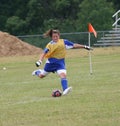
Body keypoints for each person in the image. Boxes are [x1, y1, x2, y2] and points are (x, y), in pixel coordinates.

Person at [32, 29, 92, 96]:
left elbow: (74, 45)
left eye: (56, 36)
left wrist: (84, 46)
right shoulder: (50, 45)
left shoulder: (64, 42)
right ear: (51, 37)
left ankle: (65, 90)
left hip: (60, 63)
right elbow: (44, 53)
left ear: (59, 36)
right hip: (50, 63)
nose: (55, 38)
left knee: (63, 75)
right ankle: (37, 72)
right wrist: (40, 61)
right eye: (53, 37)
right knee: (41, 76)